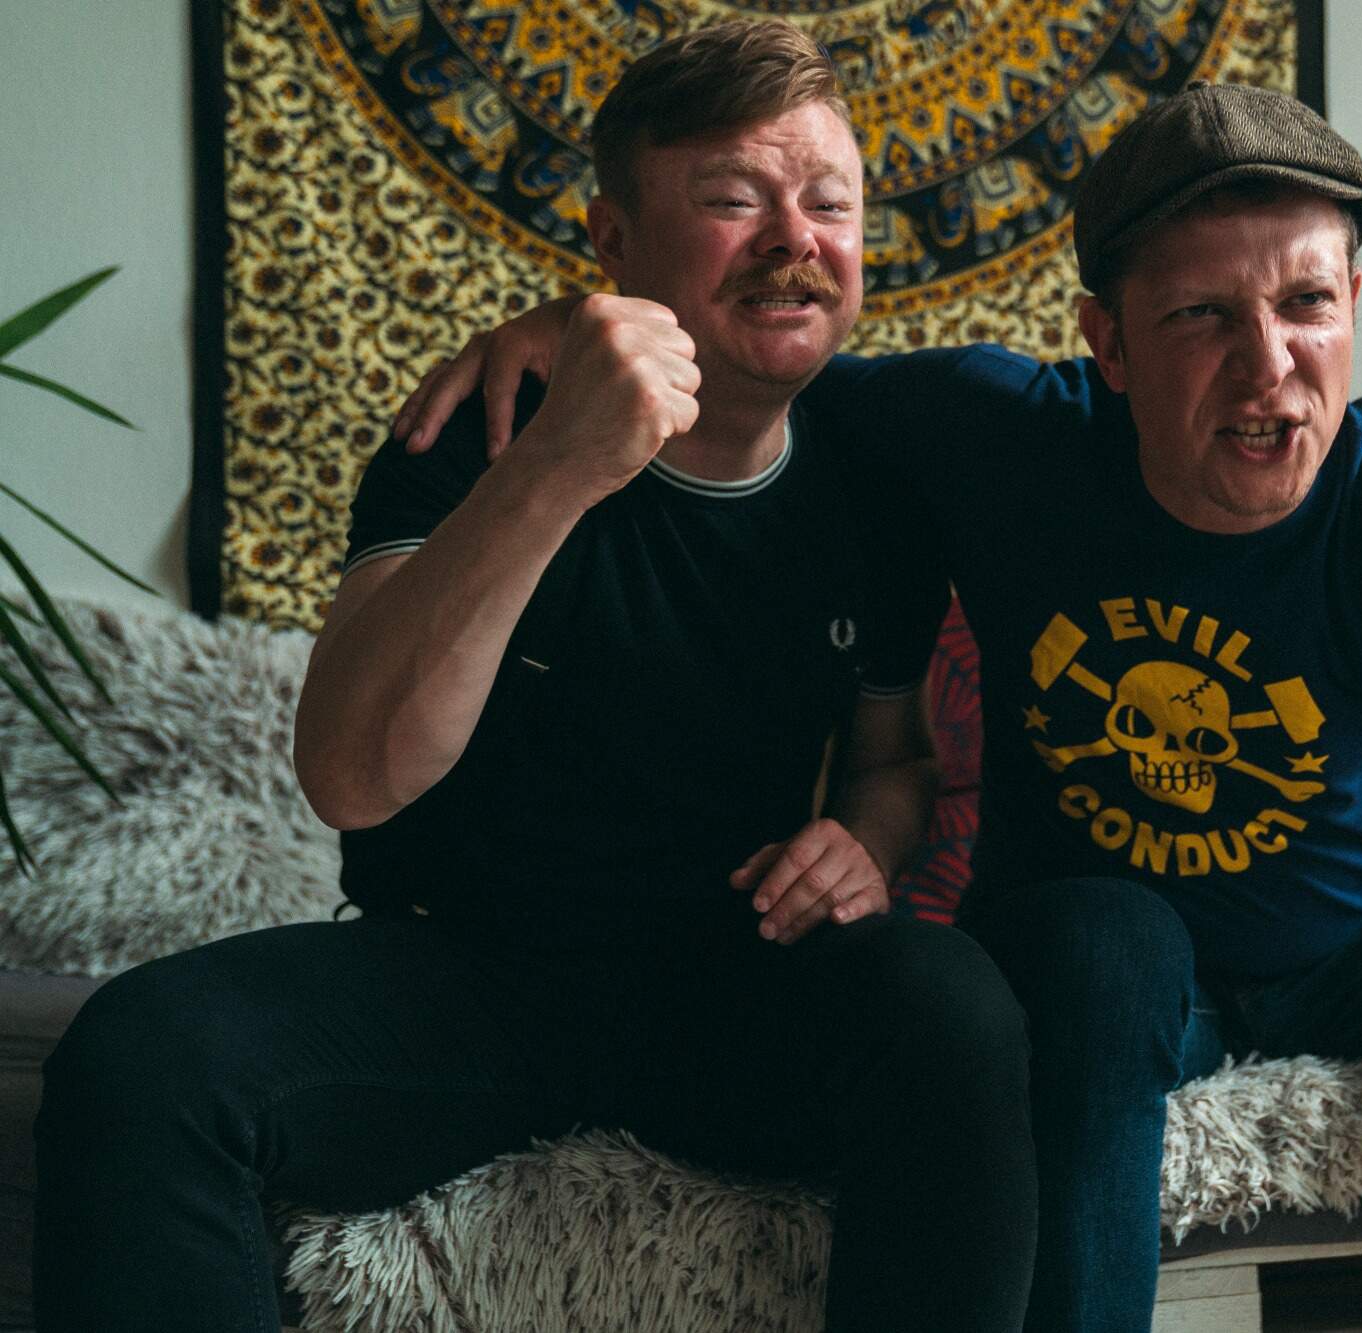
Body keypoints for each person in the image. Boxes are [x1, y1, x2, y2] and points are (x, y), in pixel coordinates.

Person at [400, 83, 1362, 1332]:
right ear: (1107, 341)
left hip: (1348, 949)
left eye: (1306, 304)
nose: (1269, 364)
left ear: (1353, 307)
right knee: (1108, 934)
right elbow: (750, 354)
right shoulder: (994, 435)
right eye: (1203, 317)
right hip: (1086, 958)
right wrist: (582, 323)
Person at [32, 23, 1039, 1332]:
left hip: (735, 978)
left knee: (956, 1009)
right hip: (464, 976)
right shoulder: (482, 429)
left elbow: (894, 757)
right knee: (143, 1055)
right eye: (735, 200)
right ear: (613, 241)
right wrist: (563, 463)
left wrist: (865, 838)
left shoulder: (877, 468)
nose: (796, 239)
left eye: (830, 203)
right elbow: (349, 775)